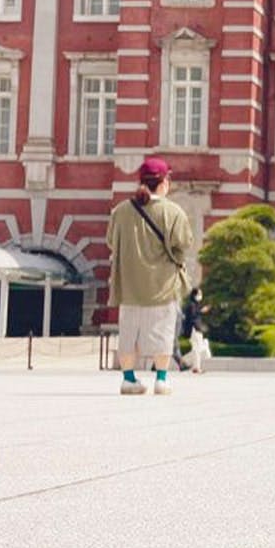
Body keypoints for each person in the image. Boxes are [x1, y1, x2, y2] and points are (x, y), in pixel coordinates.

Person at [107, 157, 193, 396]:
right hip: (162, 286)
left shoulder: (121, 211)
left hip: (129, 287)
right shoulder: (173, 212)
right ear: (164, 183)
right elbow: (184, 244)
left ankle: (128, 379)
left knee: (128, 334)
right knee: (163, 334)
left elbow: (110, 241)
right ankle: (161, 380)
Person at [179, 286, 211, 374]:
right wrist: (201, 311)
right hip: (194, 329)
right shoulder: (191, 305)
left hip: (197, 329)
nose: (201, 296)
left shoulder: (196, 305)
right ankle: (196, 367)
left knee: (199, 349)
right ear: (194, 295)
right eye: (199, 294)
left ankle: (184, 361)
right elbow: (192, 316)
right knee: (197, 349)